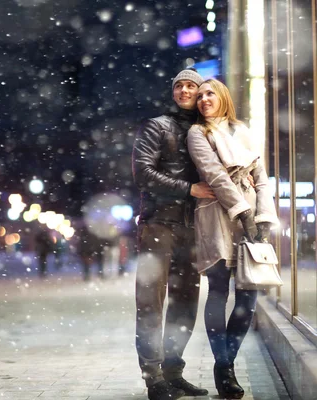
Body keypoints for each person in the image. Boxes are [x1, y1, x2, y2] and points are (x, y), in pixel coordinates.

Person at [187, 79, 278, 399]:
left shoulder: (242, 131)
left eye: (210, 93)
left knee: (248, 295)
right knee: (218, 289)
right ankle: (223, 368)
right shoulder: (198, 133)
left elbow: (262, 178)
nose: (203, 100)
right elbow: (214, 173)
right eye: (199, 96)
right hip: (215, 215)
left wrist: (263, 218)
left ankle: (227, 362)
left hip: (251, 213)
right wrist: (241, 211)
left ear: (223, 96)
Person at [132, 68, 213, 400]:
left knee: (185, 303)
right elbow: (143, 174)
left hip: (193, 229)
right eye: (178, 85)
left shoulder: (205, 130)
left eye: (190, 85)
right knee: (150, 303)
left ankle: (173, 372)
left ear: (200, 92)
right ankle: (153, 378)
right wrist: (189, 188)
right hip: (158, 226)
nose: (183, 90)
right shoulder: (157, 126)